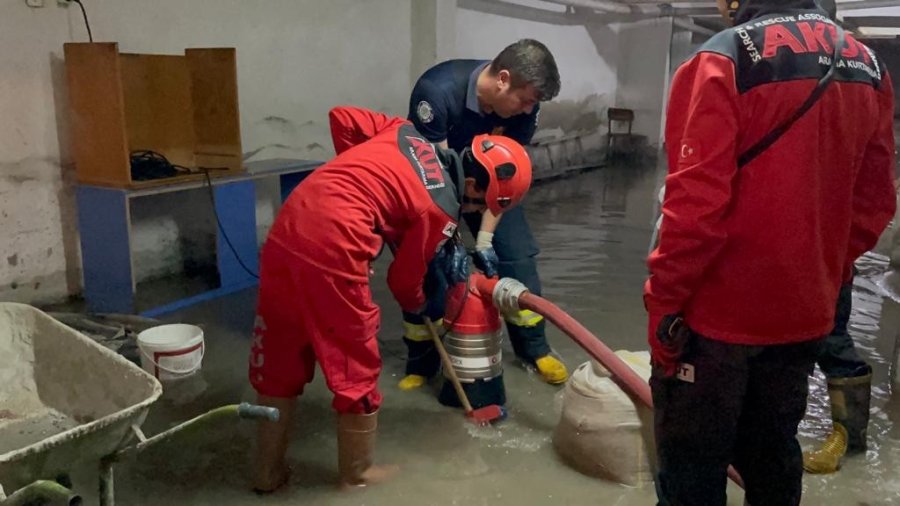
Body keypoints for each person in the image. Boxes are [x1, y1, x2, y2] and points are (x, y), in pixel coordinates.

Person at [644, 0, 896, 503]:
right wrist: (823, 268)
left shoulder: (722, 58)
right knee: (773, 456)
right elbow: (875, 202)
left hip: (716, 318)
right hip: (805, 313)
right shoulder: (867, 67)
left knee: (692, 470)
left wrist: (665, 304)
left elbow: (694, 206)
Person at [248, 106, 534, 492]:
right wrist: (419, 304)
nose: (476, 211)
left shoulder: (407, 132)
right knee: (355, 362)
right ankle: (357, 474)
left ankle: (266, 474)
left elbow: (341, 118)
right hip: (337, 243)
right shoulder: (440, 209)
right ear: (472, 187)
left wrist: (358, 183)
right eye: (481, 205)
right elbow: (403, 282)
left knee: (281, 352)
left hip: (291, 222)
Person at [398, 38, 569, 391]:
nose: (526, 111)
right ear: (503, 79)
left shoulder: (525, 109)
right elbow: (438, 179)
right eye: (524, 101)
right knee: (426, 265)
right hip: (435, 185)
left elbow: (507, 174)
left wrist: (486, 237)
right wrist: (453, 239)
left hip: (490, 188)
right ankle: (422, 360)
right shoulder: (437, 93)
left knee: (517, 259)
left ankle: (534, 349)